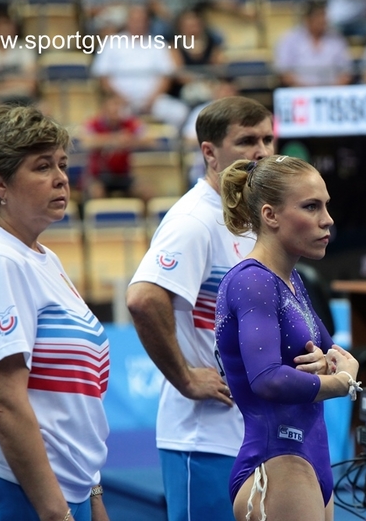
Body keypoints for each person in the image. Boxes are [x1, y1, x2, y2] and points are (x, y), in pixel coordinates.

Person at [125, 96, 326, 521]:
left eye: (268, 139)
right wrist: (185, 377)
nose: (262, 151)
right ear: (209, 153)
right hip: (204, 435)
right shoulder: (194, 219)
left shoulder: (257, 223)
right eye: (247, 141)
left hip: (257, 432)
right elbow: (143, 299)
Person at [0, 104, 110, 521]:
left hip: (63, 488)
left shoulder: (42, 257)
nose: (61, 178)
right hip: (12, 487)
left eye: (62, 164)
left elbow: (73, 402)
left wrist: (92, 494)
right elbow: (3, 403)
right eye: (42, 166)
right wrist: (56, 513)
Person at [215, 155, 361, 521]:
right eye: (311, 207)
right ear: (270, 215)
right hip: (278, 462)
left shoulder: (290, 279)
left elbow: (333, 353)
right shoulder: (253, 281)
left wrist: (330, 364)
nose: (327, 219)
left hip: (309, 460)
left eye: (325, 205)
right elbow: (267, 378)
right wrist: (338, 382)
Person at [273, 1, 354, 88]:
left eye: (324, 16)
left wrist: (330, 90)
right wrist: (308, 89)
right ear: (307, 19)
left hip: (332, 90)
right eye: (318, 16)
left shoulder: (337, 39)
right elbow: (283, 73)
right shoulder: (290, 40)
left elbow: (346, 72)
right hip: (298, 91)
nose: (322, 20)